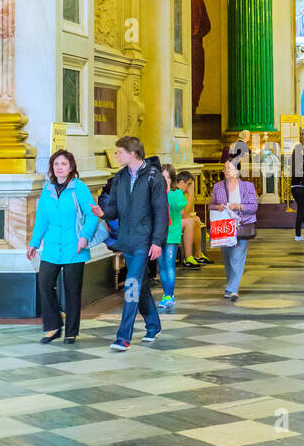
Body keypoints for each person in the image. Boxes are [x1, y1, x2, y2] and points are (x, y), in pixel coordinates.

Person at [101, 135, 168, 351]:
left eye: (119, 152)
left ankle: (124, 337)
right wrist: (103, 212)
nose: (116, 155)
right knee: (140, 284)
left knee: (131, 284)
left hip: (143, 240)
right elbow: (114, 209)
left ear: (132, 153)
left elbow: (161, 212)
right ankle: (153, 325)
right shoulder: (119, 178)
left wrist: (157, 241)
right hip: (126, 239)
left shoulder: (153, 177)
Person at [27, 150, 98, 344]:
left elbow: (92, 215)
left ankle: (71, 332)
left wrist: (84, 237)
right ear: (52, 168)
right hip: (51, 247)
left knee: (72, 290)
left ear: (71, 167)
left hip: (74, 247)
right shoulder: (47, 190)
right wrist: (33, 243)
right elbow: (41, 219)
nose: (60, 167)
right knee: (44, 283)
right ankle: (53, 327)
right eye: (56, 164)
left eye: (64, 164)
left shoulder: (80, 189)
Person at [210, 158, 259, 301]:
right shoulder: (218, 186)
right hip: (224, 226)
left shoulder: (247, 186)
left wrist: (239, 206)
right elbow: (211, 205)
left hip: (242, 225)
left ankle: (232, 289)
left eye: (229, 168)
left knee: (237, 257)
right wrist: (218, 207)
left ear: (237, 171)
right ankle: (231, 286)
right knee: (228, 258)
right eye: (225, 168)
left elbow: (253, 206)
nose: (226, 171)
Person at [158, 167, 190, 313]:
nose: (165, 180)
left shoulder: (176, 193)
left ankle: (169, 295)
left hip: (172, 234)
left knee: (169, 264)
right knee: (162, 265)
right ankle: (166, 293)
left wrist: (166, 195)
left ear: (172, 180)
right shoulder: (155, 193)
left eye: (168, 178)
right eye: (162, 177)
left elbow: (179, 207)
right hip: (158, 234)